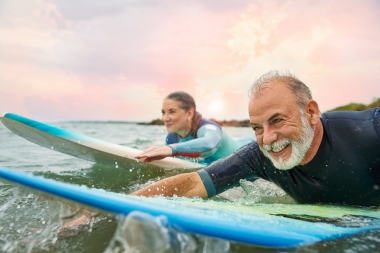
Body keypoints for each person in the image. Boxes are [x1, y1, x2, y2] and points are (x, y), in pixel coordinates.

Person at [132, 70, 380, 207]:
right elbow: (193, 183)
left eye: (278, 120)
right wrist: (117, 203)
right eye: (256, 128)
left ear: (311, 113)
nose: (269, 138)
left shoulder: (370, 131)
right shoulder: (258, 156)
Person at [135, 91, 254, 165]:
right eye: (163, 112)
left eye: (171, 112)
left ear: (190, 113)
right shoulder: (171, 138)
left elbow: (209, 144)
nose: (165, 118)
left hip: (252, 150)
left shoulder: (208, 128)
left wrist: (171, 149)